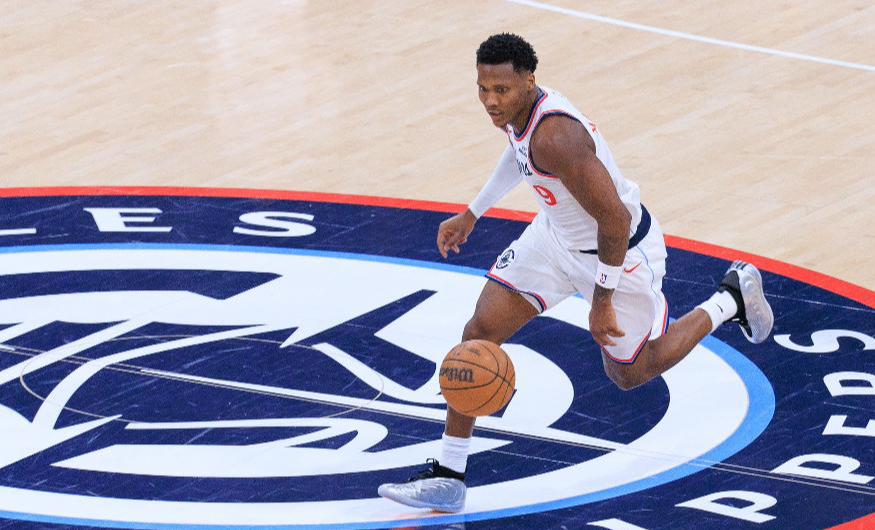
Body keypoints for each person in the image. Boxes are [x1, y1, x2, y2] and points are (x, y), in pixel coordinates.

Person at [378, 33, 773, 513]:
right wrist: (473, 212)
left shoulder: (557, 137)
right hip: (555, 239)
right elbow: (519, 155)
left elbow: (615, 221)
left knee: (630, 372)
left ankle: (729, 299)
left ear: (529, 81)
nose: (491, 100)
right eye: (483, 88)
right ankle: (449, 474)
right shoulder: (519, 116)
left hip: (619, 253)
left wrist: (601, 299)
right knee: (479, 332)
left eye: (501, 89)